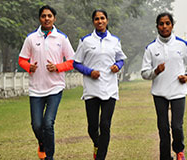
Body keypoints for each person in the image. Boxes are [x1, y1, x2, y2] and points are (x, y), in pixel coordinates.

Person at [18, 5, 75, 160]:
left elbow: (72, 61)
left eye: (50, 16)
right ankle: (42, 143)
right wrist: (28, 67)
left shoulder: (61, 38)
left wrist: (57, 67)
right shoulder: (31, 38)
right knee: (37, 125)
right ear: (39, 18)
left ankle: (49, 157)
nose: (47, 18)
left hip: (55, 87)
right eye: (44, 16)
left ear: (54, 18)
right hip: (36, 88)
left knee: (48, 123)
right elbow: (22, 59)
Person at [73, 9, 127, 160]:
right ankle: (98, 144)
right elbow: (76, 63)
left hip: (110, 88)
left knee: (105, 125)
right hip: (91, 89)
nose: (100, 21)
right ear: (93, 22)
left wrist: (118, 66)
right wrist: (90, 72)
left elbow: (121, 59)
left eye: (102, 18)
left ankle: (100, 157)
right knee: (92, 128)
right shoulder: (85, 41)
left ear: (107, 20)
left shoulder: (115, 40)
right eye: (97, 19)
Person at [141, 12, 187, 160]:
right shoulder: (151, 48)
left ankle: (179, 152)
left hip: (178, 91)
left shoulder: (182, 45)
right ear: (157, 26)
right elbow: (144, 73)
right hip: (159, 92)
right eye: (161, 24)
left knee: (177, 127)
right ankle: (165, 157)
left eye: (167, 23)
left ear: (172, 25)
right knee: (163, 128)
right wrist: (156, 71)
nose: (164, 27)